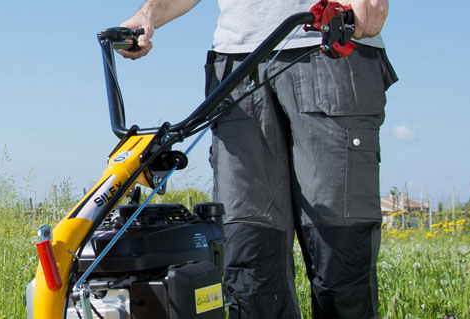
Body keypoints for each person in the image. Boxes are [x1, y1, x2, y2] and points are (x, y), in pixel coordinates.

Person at [117, 0, 396, 318]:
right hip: (236, 65)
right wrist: (148, 13)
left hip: (328, 37)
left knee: (339, 259)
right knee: (250, 265)